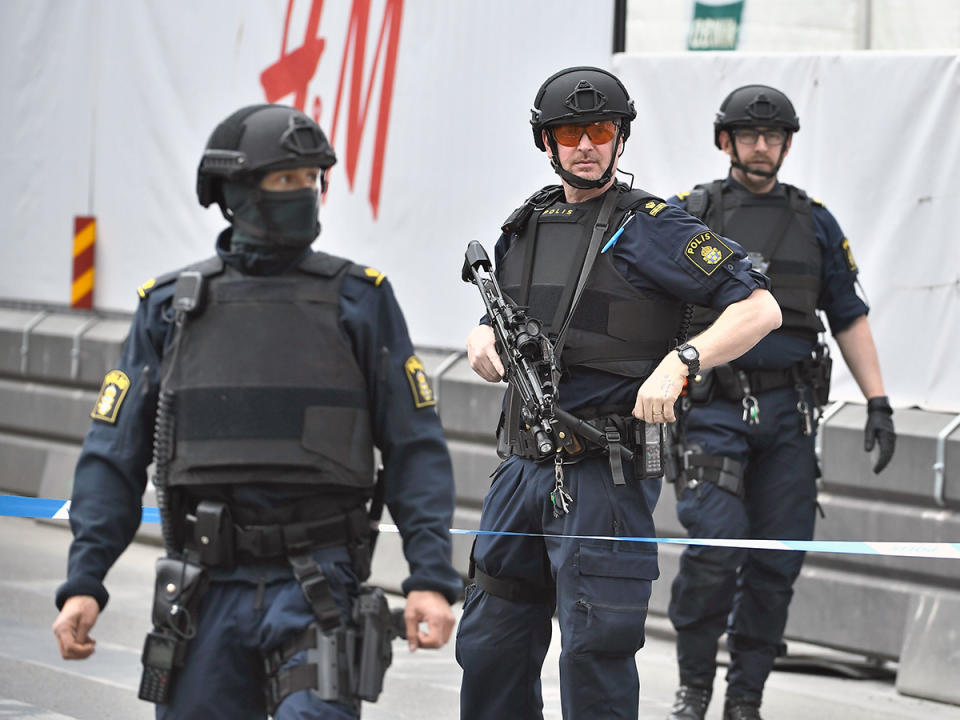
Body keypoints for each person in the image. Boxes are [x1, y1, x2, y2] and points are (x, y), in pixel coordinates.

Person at [51, 104, 461, 719]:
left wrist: (429, 577)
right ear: (236, 192)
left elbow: (415, 447)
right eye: (285, 179)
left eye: (312, 179)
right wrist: (84, 581)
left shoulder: (360, 301)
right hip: (204, 586)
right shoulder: (171, 308)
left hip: (317, 582)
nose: (306, 194)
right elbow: (113, 456)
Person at [455, 66, 782, 720]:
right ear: (546, 142)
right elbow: (510, 316)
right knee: (490, 645)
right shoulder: (525, 228)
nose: (585, 145)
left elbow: (760, 309)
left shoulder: (652, 227)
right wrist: (481, 335)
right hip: (521, 465)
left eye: (599, 130)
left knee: (594, 651)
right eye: (570, 132)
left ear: (620, 139)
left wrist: (681, 362)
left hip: (604, 470)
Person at [663, 85, 897, 720]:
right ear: (725, 141)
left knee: (776, 563)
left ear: (788, 145)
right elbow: (652, 310)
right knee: (715, 549)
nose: (761, 146)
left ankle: (745, 700)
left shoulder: (815, 221)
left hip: (789, 419)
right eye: (748, 135)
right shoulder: (692, 215)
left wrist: (878, 402)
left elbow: (848, 317)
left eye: (773, 137)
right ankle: (693, 690)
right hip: (712, 413)